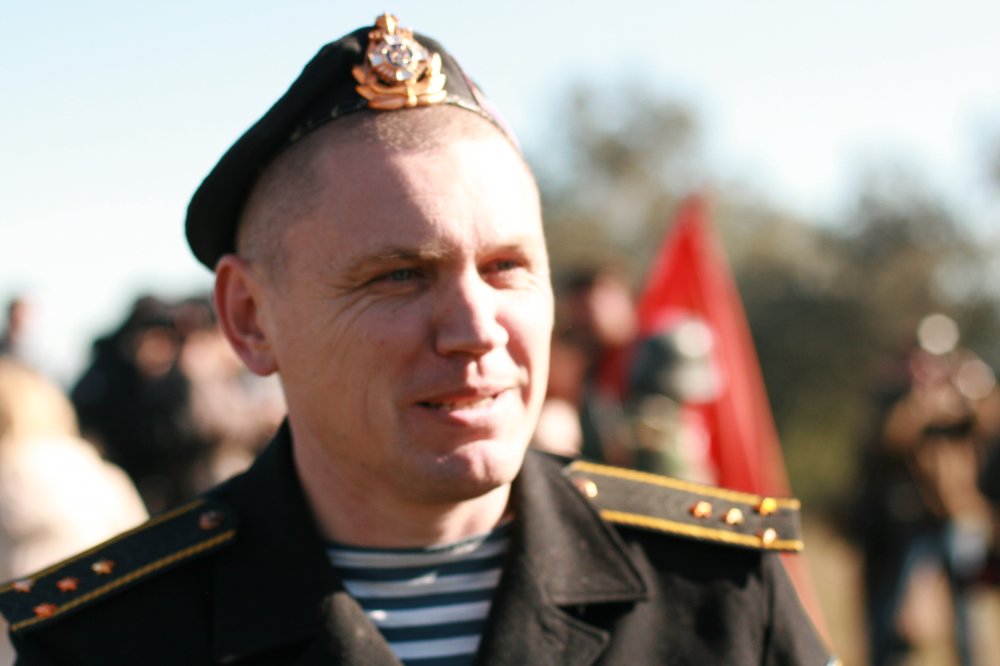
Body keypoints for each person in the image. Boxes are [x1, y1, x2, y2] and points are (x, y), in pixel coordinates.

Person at [0, 14, 834, 664]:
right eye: (399, 276)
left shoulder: (720, 593)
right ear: (250, 318)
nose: (475, 329)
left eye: (507, 268)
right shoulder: (105, 640)